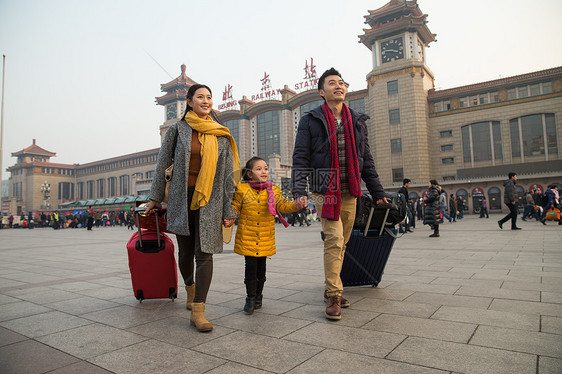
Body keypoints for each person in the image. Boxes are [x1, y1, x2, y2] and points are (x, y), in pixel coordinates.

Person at [291, 68, 387, 321]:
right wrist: (299, 189)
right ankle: (334, 294)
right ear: (322, 92)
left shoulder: (356, 120)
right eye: (332, 83)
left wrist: (377, 192)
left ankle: (330, 286)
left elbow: (366, 159)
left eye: (342, 83)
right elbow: (301, 156)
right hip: (325, 187)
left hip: (351, 188)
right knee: (334, 238)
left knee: (342, 242)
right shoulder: (311, 119)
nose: (338, 86)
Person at [145, 83, 241, 332]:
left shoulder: (221, 133)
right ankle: (189, 287)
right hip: (181, 198)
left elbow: (228, 175)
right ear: (190, 101)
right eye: (200, 96)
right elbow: (162, 164)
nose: (206, 100)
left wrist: (229, 210)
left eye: (209, 97)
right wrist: (155, 197)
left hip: (210, 198)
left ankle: (199, 310)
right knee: (185, 253)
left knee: (204, 252)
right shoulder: (177, 130)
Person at [232, 157, 304, 314]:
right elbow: (235, 207)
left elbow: (283, 206)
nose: (264, 171)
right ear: (250, 174)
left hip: (265, 237)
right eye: (259, 169)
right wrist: (229, 218)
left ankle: (259, 296)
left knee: (261, 269)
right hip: (248, 236)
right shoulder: (242, 189)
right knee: (250, 267)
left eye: (265, 168)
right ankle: (250, 298)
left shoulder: (274, 190)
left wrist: (296, 205)